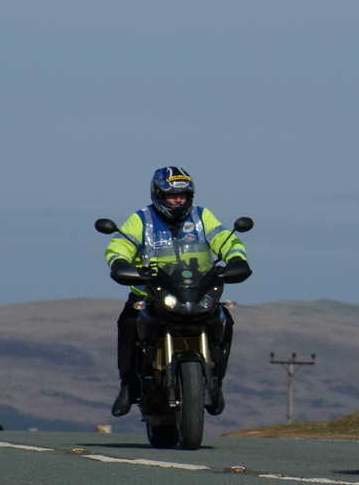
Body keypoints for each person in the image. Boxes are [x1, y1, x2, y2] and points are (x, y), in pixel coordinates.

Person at [104, 166, 250, 418]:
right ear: (158, 194)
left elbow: (225, 239)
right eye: (172, 195)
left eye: (183, 195)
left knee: (225, 319)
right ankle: (128, 385)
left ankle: (217, 382)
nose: (178, 200)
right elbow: (120, 244)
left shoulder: (202, 216)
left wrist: (236, 258)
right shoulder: (141, 219)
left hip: (195, 290)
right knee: (128, 322)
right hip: (151, 294)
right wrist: (119, 262)